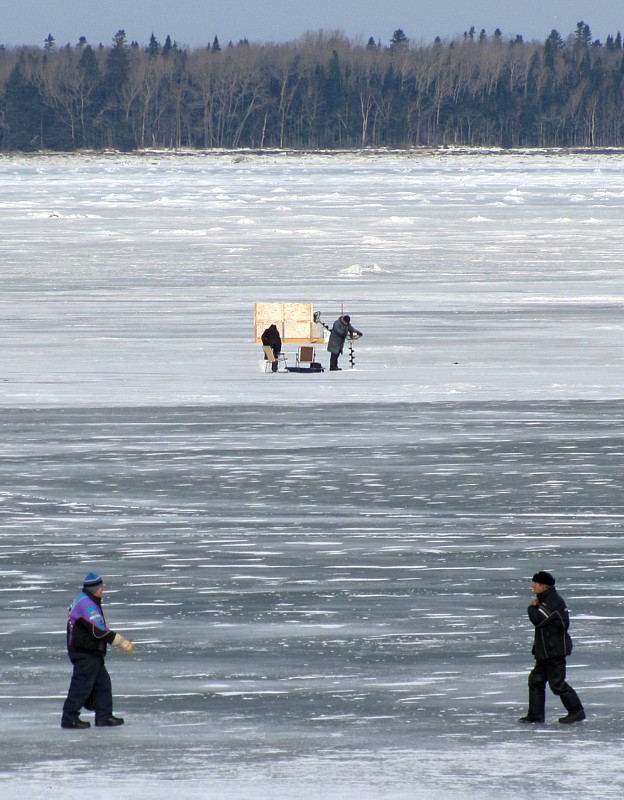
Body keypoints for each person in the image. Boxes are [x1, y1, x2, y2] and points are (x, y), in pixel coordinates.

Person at [61, 573, 136, 729]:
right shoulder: (86, 604)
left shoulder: (86, 599)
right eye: (101, 587)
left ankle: (104, 716)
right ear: (94, 588)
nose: (103, 589)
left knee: (102, 684)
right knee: (81, 686)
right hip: (84, 652)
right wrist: (121, 641)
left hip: (91, 652)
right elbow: (98, 630)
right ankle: (69, 718)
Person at [518, 571, 585, 725]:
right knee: (536, 680)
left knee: (557, 684)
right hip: (545, 652)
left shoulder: (552, 601)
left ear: (543, 585)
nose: (533, 586)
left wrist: (531, 608)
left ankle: (577, 711)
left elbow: (538, 620)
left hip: (554, 651)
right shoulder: (546, 600)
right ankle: (535, 716)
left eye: (535, 583)